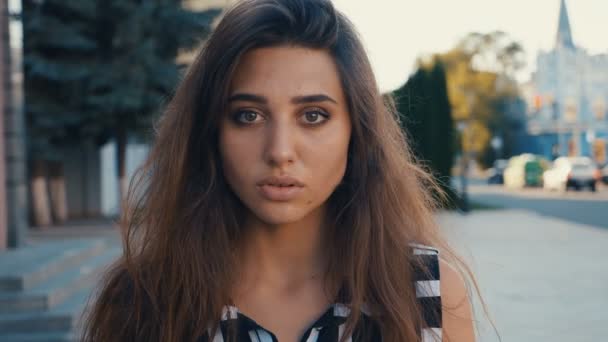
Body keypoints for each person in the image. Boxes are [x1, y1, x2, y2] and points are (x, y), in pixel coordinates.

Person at [83, 0, 476, 341]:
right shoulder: (142, 301)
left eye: (313, 115)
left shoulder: (428, 293)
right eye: (248, 115)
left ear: (356, 132)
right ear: (211, 131)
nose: (280, 151)